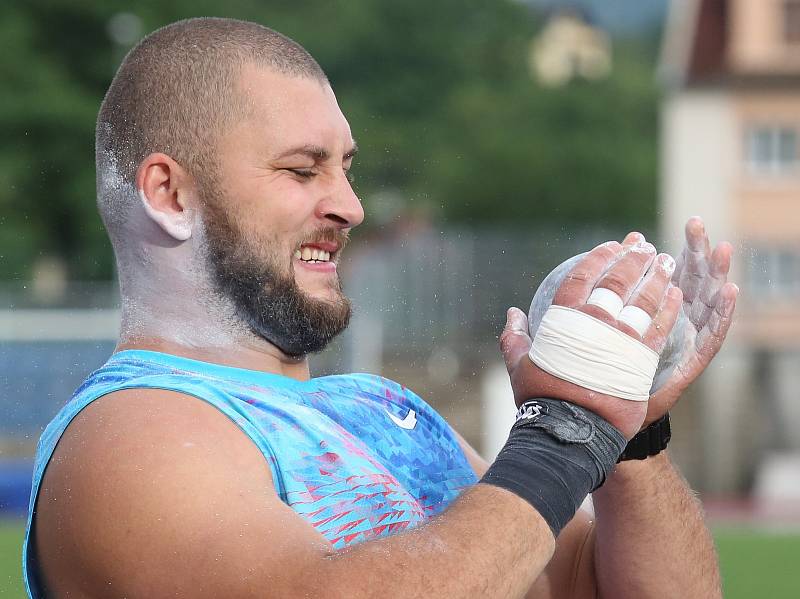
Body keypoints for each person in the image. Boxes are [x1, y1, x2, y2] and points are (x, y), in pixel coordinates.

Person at [23, 17, 738, 598]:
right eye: (302, 170)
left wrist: (627, 436)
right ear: (169, 194)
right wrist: (563, 436)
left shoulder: (381, 408)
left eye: (346, 168)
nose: (350, 206)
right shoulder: (129, 434)